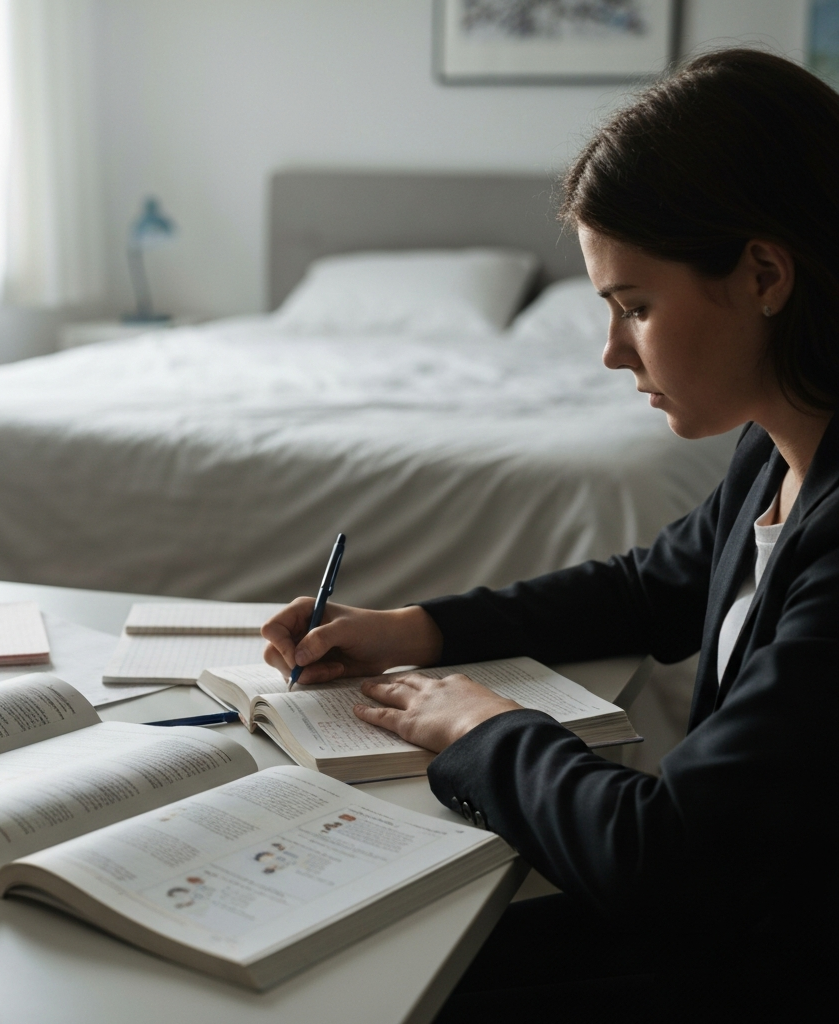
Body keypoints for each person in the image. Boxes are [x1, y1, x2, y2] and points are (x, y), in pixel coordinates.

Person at [261, 49, 837, 1021]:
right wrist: (412, 627)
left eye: (636, 308)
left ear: (765, 273)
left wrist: (478, 724)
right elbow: (645, 585)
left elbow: (666, 852)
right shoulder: (775, 447)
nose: (610, 352)